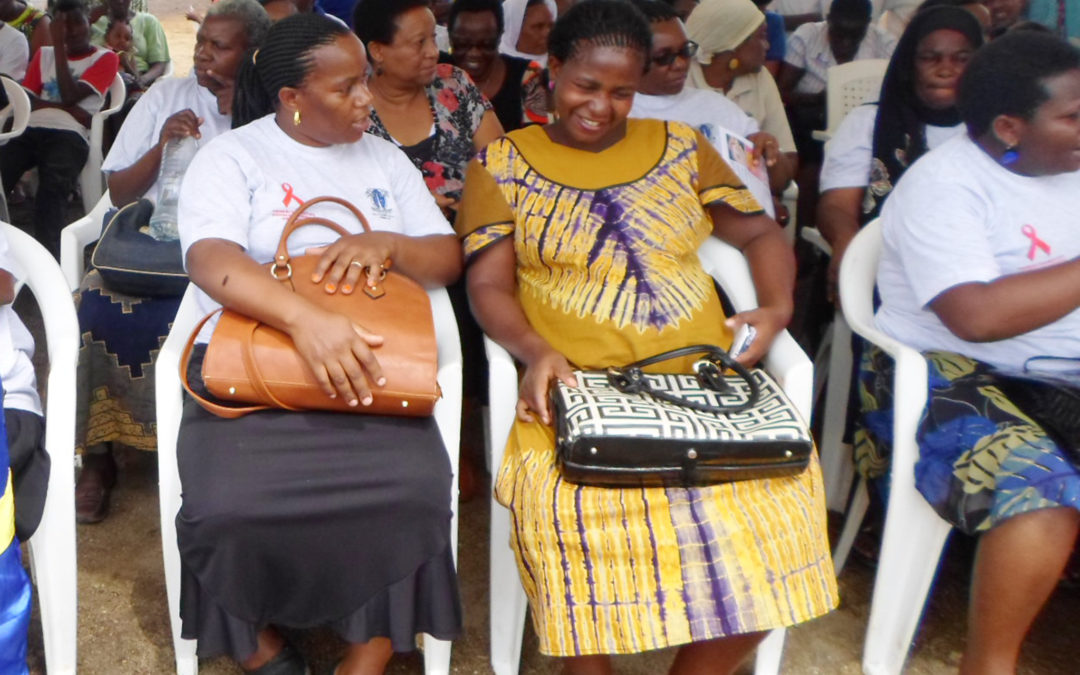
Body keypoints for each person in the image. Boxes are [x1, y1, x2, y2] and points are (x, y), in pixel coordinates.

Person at [458, 2, 838, 673]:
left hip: (700, 386)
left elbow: (756, 232)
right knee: (561, 512)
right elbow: (488, 286)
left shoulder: (680, 147)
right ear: (551, 70)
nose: (601, 106)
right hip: (576, 394)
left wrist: (776, 307)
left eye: (621, 91)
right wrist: (535, 349)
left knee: (784, 518)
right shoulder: (504, 162)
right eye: (586, 85)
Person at [175, 13, 462, 673]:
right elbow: (210, 258)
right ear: (292, 100)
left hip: (370, 370)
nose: (366, 98)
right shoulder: (233, 155)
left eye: (364, 81)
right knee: (225, 507)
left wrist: (387, 243)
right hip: (257, 369)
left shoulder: (383, 159)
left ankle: (367, 653)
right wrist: (306, 320)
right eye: (345, 88)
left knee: (414, 493)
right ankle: (266, 654)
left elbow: (446, 258)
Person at [863, 30, 1080, 673]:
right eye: (1072, 116)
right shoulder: (945, 186)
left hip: (1059, 374)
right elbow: (975, 317)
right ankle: (988, 665)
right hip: (941, 373)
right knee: (1038, 496)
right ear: (1010, 128)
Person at [73, 0, 270, 524]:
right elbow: (117, 192)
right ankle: (97, 459)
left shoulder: (275, 108)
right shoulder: (167, 96)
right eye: (201, 43)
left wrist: (245, 111)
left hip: (235, 259)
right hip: (157, 250)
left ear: (252, 54)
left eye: (218, 47)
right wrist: (163, 145)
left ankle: (206, 450)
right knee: (95, 304)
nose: (202, 56)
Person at [817, 4, 982, 299]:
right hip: (890, 266)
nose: (945, 69)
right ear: (909, 64)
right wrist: (847, 242)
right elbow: (838, 204)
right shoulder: (869, 124)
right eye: (929, 58)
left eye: (961, 59)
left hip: (977, 269)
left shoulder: (994, 129)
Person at [629, 0, 795, 219]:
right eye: (664, 57)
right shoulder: (620, 112)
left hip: (744, 233)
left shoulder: (718, 107)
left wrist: (770, 155)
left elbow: (781, 181)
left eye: (685, 51)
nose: (680, 64)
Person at [0, 0, 118, 258]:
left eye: (77, 22)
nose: (72, 30)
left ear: (90, 20)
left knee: (52, 190)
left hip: (70, 136)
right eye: (62, 25)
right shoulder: (43, 55)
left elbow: (68, 93)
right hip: (30, 130)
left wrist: (59, 49)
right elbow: (28, 100)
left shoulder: (106, 58)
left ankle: (49, 261)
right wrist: (70, 107)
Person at [685, 0, 799, 180]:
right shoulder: (682, 79)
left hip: (750, 192)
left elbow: (789, 164)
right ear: (734, 42)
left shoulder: (761, 78)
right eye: (761, 37)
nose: (767, 46)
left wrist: (769, 152)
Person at [444, 0, 549, 132]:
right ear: (450, 36)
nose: (474, 53)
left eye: (486, 44)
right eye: (462, 44)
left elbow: (539, 138)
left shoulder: (529, 76)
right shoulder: (435, 71)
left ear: (500, 36)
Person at [89, 0, 168, 93]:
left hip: (137, 78)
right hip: (98, 80)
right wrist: (89, 19)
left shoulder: (148, 21)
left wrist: (141, 81)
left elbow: (159, 64)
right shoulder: (92, 23)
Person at [498, 0, 556, 67]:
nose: (548, 33)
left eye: (551, 26)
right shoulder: (493, 68)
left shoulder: (560, 65)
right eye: (539, 26)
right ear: (513, 29)